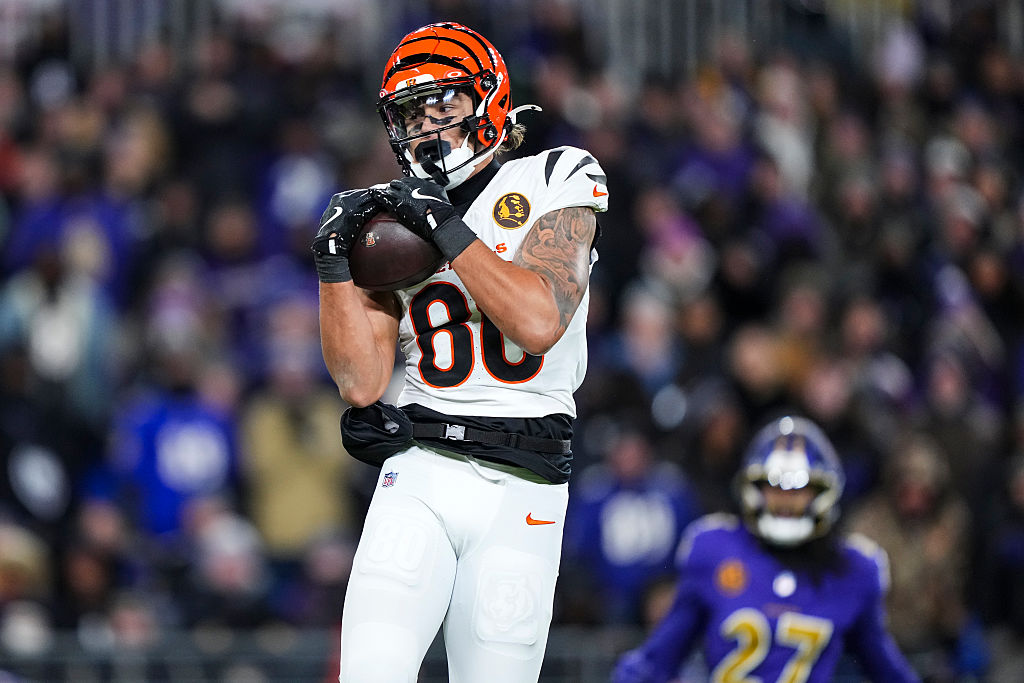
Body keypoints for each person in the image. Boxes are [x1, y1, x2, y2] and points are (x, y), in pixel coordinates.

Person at [310, 22, 608, 683]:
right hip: (422, 467)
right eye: (411, 114)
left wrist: (445, 226)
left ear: (489, 99)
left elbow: (538, 321)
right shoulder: (394, 222)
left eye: (441, 105)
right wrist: (333, 268)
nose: (426, 127)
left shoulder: (556, 174)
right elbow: (361, 383)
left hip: (526, 481)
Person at [613, 415, 920, 683]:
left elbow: (886, 670)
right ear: (754, 489)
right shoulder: (714, 549)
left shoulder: (852, 570)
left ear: (821, 493)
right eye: (775, 488)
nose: (785, 501)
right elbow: (656, 661)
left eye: (798, 490)